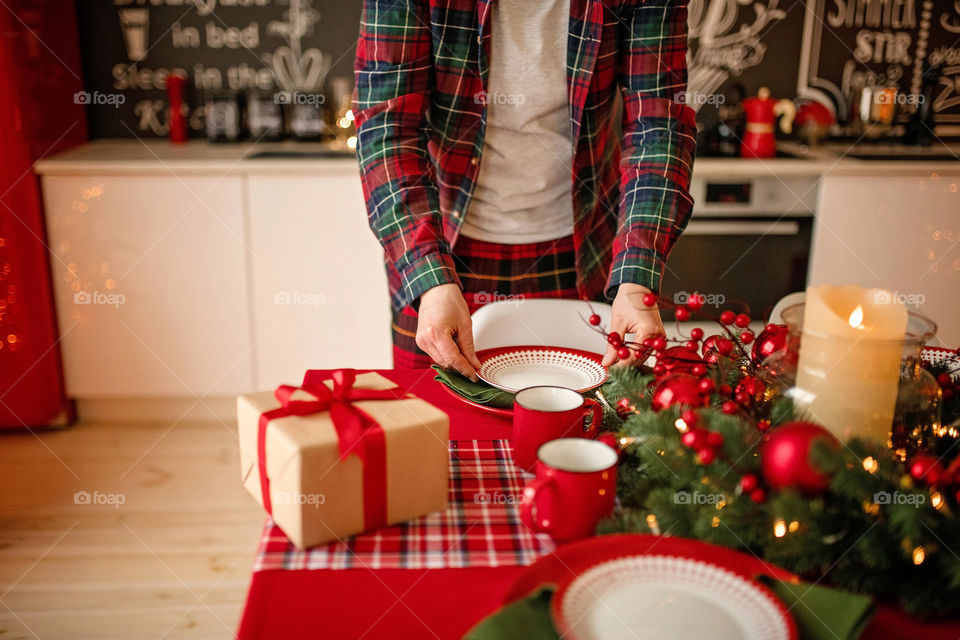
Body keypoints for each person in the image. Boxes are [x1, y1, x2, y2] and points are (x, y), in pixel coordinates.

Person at [353, 0, 696, 379]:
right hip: (437, 245)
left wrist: (637, 280)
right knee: (429, 424)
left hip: (584, 249)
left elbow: (658, 127)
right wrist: (429, 278)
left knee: (581, 425)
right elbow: (388, 129)